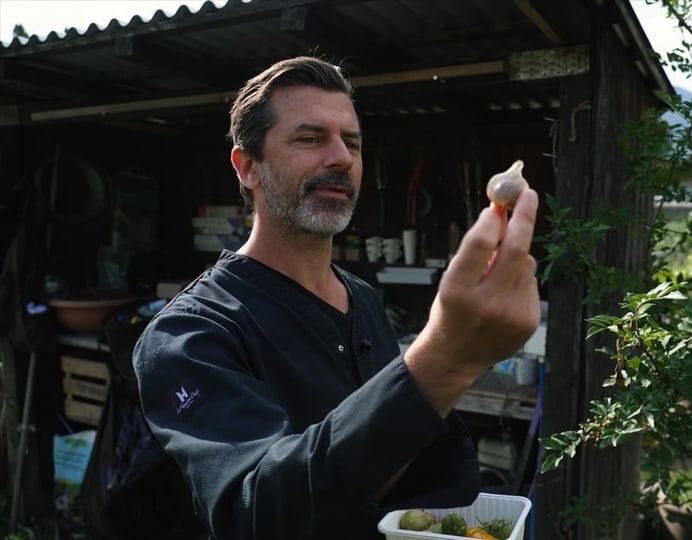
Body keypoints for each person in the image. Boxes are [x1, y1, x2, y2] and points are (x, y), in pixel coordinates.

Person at [132, 55, 540, 539]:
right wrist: (447, 357)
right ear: (247, 168)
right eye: (310, 138)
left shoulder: (363, 298)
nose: (341, 158)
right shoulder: (189, 334)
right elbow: (257, 512)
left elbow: (411, 468)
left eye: (352, 143)